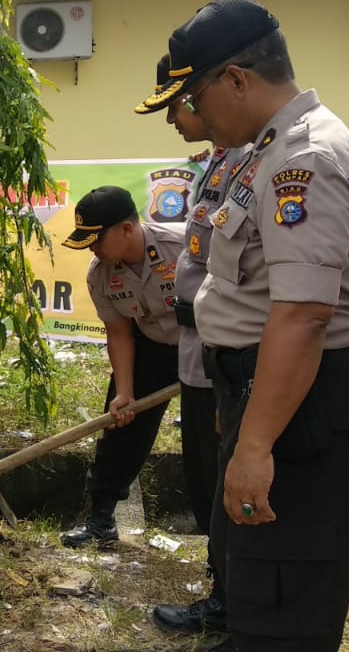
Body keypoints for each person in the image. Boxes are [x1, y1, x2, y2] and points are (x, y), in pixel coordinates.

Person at [145, 0, 349, 651]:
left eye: (196, 95)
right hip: (269, 397)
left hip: (305, 408)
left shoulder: (304, 160)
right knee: (256, 583)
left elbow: (304, 316)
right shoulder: (265, 150)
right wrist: (241, 403)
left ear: (237, 80)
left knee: (285, 603)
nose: (195, 115)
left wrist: (255, 446)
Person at [134, 53, 252, 634]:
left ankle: (236, 603)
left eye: (177, 105)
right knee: (204, 480)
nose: (173, 119)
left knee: (226, 479)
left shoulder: (252, 162)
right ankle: (223, 589)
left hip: (227, 355)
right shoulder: (214, 165)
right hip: (199, 356)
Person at [59, 186, 183, 548]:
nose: (93, 250)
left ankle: (223, 538)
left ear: (126, 229)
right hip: (149, 346)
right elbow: (119, 333)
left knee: (215, 437)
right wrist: (126, 392)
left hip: (206, 344)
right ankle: (100, 520)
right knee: (120, 426)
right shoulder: (100, 275)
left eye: (96, 241)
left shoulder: (186, 247)